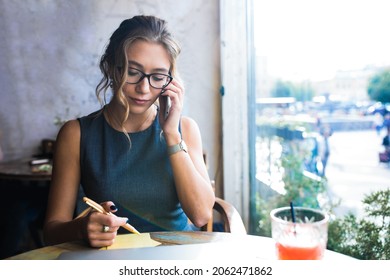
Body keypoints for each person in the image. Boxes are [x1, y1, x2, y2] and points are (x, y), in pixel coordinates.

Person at [43, 15, 215, 248]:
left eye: (157, 77)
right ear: (111, 67)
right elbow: (52, 231)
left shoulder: (185, 128)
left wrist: (171, 135)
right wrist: (82, 228)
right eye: (132, 72)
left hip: (177, 257)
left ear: (170, 81)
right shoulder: (76, 134)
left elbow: (201, 215)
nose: (144, 88)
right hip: (111, 259)